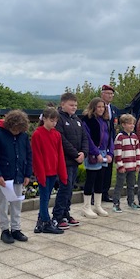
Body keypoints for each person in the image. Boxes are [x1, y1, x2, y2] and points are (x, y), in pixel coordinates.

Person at [0, 110, 31, 244]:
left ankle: (16, 228)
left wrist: (27, 174)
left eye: (19, 130)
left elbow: (28, 155)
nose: (16, 132)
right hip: (4, 177)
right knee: (3, 204)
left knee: (17, 203)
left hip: (19, 174)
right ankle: (4, 229)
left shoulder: (23, 136)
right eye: (15, 129)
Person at [53, 92, 88, 230]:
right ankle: (57, 216)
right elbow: (61, 140)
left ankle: (66, 213)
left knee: (70, 189)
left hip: (75, 161)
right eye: (71, 105)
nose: (74, 107)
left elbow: (84, 137)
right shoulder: (59, 119)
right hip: (65, 161)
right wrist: (75, 154)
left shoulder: (77, 119)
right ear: (63, 104)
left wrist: (84, 153)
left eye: (76, 105)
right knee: (64, 188)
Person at [31, 107, 67, 234]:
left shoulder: (56, 134)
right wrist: (40, 174)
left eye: (56, 121)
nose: (54, 123)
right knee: (44, 197)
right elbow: (37, 156)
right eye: (52, 120)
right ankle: (46, 222)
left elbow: (60, 154)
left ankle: (40, 221)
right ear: (44, 119)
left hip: (53, 171)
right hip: (44, 172)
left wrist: (62, 173)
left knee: (46, 197)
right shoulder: (37, 134)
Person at [81, 97, 114, 217]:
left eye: (102, 107)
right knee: (91, 179)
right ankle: (86, 207)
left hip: (105, 152)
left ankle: (98, 205)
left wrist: (110, 153)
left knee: (101, 179)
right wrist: (96, 153)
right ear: (93, 107)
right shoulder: (88, 120)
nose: (101, 109)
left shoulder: (105, 120)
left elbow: (110, 137)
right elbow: (87, 138)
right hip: (93, 153)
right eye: (98, 107)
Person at [112, 114, 140, 212]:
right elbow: (117, 153)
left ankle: (131, 201)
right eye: (129, 124)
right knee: (119, 185)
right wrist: (120, 165)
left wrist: (138, 164)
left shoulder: (134, 137)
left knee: (131, 185)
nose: (132, 126)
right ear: (123, 125)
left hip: (132, 166)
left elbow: (137, 151)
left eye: (133, 124)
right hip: (123, 167)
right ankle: (116, 203)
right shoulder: (120, 137)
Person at [100, 84, 119, 203]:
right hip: (101, 142)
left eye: (112, 94)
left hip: (110, 142)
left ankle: (105, 193)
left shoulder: (114, 109)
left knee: (108, 170)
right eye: (108, 93)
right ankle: (95, 193)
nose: (110, 96)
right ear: (102, 94)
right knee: (99, 170)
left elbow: (115, 126)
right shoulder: (98, 107)